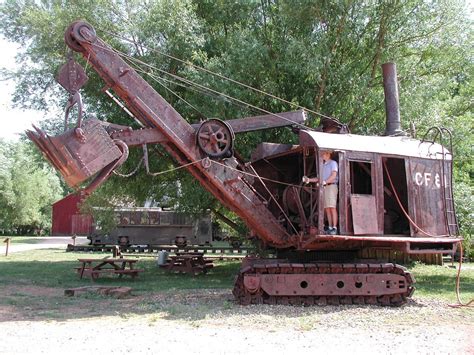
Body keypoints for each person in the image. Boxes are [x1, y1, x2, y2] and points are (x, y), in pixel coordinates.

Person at [302, 150, 339, 235]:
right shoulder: (322, 165)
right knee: (327, 208)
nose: (322, 156)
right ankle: (330, 227)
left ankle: (334, 228)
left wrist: (325, 182)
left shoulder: (333, 163)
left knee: (332, 207)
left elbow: (333, 176)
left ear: (328, 154)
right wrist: (309, 180)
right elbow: (319, 178)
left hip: (331, 186)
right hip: (325, 187)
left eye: (323, 154)